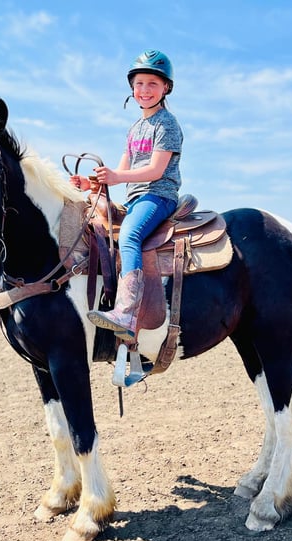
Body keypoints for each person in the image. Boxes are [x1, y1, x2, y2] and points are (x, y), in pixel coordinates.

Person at [70, 49, 182, 343]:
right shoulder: (134, 129)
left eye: (152, 84)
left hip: (158, 195)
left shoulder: (166, 124)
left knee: (130, 235)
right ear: (132, 88)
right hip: (136, 197)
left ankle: (127, 312)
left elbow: (156, 170)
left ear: (165, 88)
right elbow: (121, 170)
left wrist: (118, 177)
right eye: (140, 84)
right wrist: (92, 182)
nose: (145, 90)